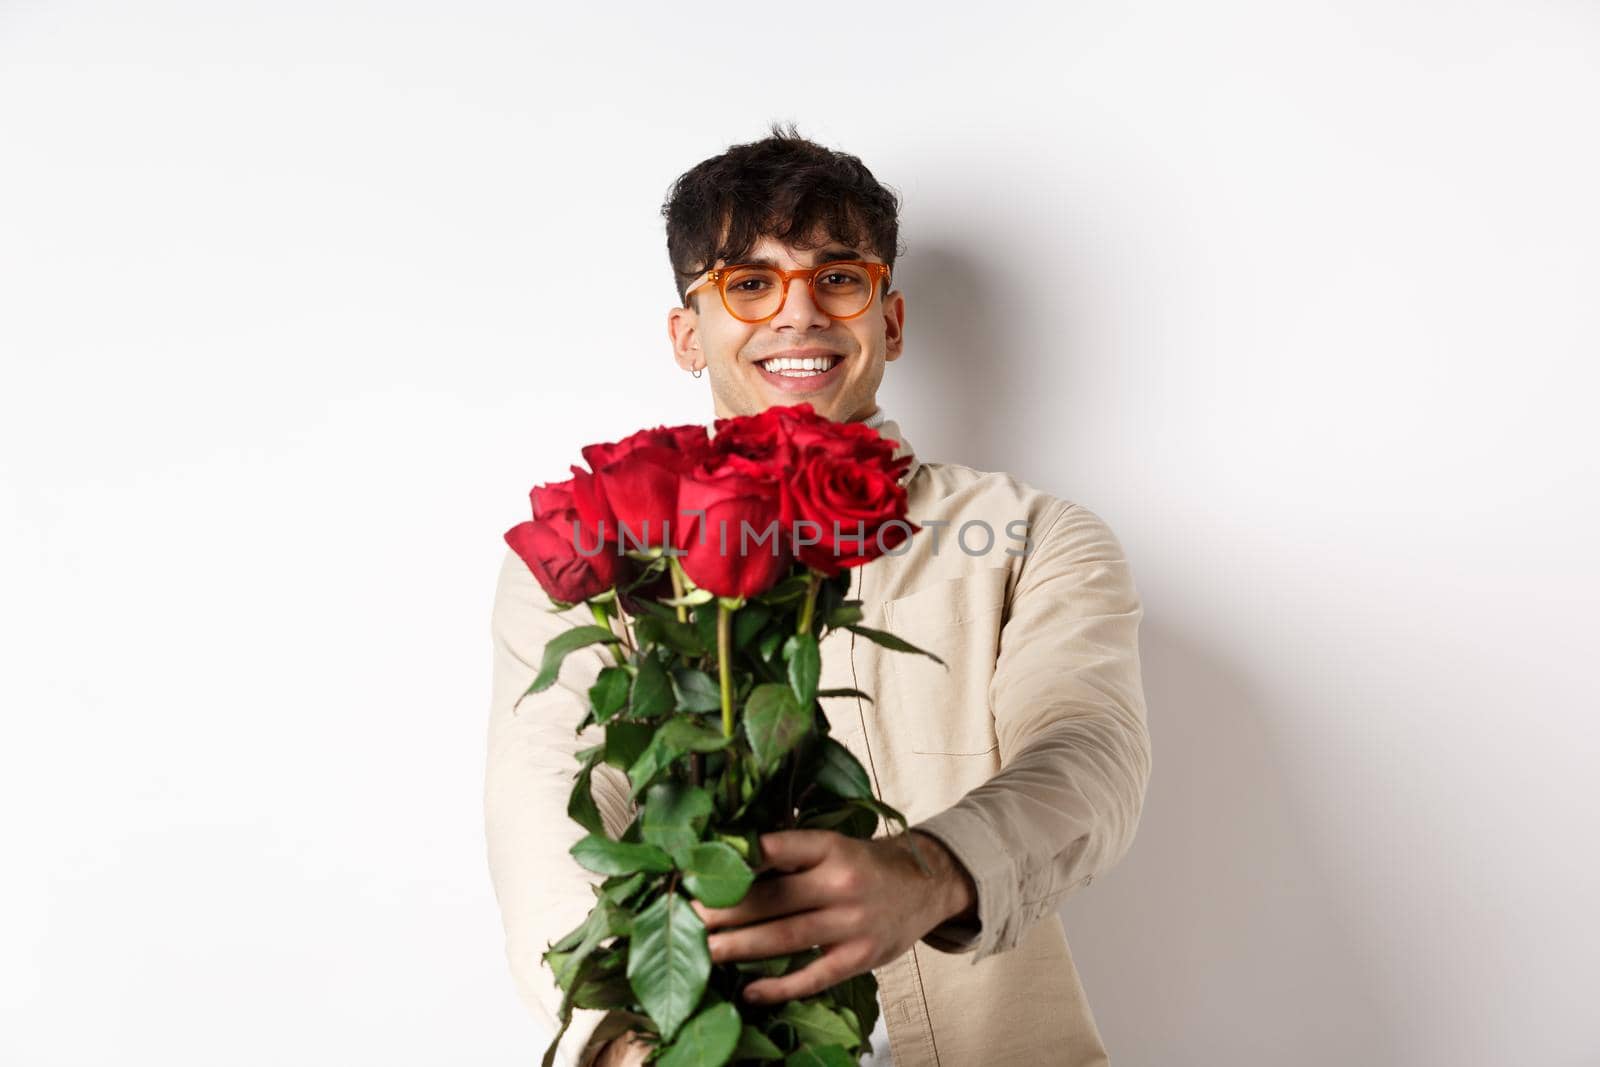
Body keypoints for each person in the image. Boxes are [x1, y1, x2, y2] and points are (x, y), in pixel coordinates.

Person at [484, 123, 1151, 1067]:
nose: (797, 316)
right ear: (687, 333)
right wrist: (629, 1046)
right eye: (749, 284)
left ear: (892, 319)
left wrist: (928, 872)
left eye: (839, 277)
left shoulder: (1030, 536)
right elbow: (551, 794)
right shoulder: (595, 544)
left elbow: (1090, 755)